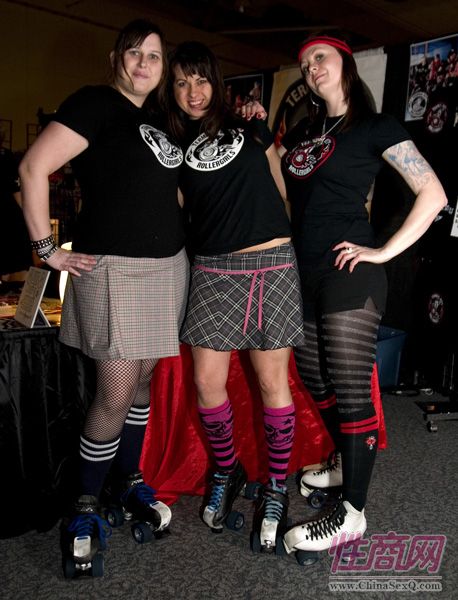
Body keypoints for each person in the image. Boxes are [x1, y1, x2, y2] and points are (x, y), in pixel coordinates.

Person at [19, 19, 189, 576]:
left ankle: (127, 479)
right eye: (134, 53)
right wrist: (47, 249)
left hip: (167, 268)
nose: (144, 64)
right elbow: (33, 167)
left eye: (154, 56)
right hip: (114, 268)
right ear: (117, 58)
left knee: (141, 382)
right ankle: (85, 504)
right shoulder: (94, 103)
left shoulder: (159, 118)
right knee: (115, 392)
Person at [277, 34, 447, 557]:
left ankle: (351, 512)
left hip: (349, 269)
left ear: (345, 63)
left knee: (351, 388)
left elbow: (433, 193)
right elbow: (279, 184)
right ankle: (343, 462)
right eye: (304, 63)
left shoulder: (374, 126)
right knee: (314, 377)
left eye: (320, 57)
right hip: (301, 271)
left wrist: (384, 252)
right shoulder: (304, 132)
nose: (311, 67)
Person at [167, 41, 305, 553]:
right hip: (212, 268)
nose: (193, 91)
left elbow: (283, 189)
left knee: (272, 382)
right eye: (182, 82)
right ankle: (228, 470)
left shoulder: (250, 126)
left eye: (201, 79)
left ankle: (276, 488)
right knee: (207, 383)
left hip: (271, 260)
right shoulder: (171, 143)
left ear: (216, 82)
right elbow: (177, 207)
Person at [0, 139, 32, 282]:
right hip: (12, 220)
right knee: (19, 268)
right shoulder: (8, 158)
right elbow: (17, 194)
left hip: (8, 218)